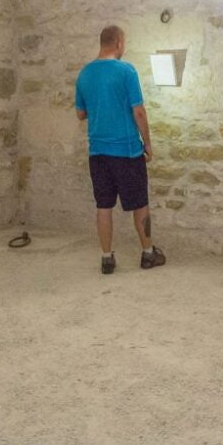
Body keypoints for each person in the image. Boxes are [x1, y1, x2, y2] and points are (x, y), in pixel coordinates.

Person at [74, 25, 166, 275]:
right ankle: (148, 253)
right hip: (126, 152)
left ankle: (106, 257)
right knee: (140, 204)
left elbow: (81, 113)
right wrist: (147, 143)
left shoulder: (84, 74)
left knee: (103, 205)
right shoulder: (126, 71)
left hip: (98, 153)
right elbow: (138, 110)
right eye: (123, 43)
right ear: (118, 43)